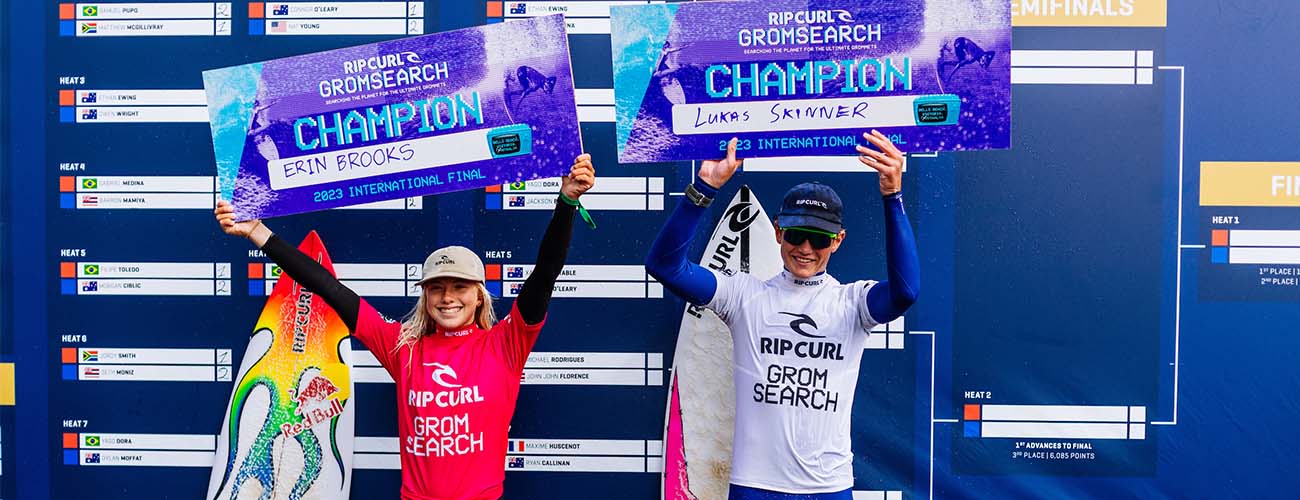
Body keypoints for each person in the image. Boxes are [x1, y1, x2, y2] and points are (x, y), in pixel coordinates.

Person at [214, 155, 596, 500]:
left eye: (460, 287)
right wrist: (258, 233)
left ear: (479, 296)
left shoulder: (506, 344)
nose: (448, 298)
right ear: (425, 296)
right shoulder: (403, 346)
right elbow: (328, 288)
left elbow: (545, 273)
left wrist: (566, 202)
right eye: (437, 288)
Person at [645, 132, 920, 499]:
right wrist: (703, 189)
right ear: (777, 232)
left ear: (838, 241)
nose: (805, 249)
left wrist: (893, 197)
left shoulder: (851, 303)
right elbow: (665, 266)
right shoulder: (744, 296)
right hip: (755, 487)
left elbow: (906, 292)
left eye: (819, 239)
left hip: (829, 488)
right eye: (796, 235)